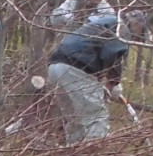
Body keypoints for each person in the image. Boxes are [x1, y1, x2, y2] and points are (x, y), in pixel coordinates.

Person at [45, 12, 131, 141]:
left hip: (55, 66)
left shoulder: (98, 23)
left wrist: (102, 86)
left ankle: (73, 149)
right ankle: (94, 150)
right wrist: (114, 82)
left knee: (75, 117)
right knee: (96, 115)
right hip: (75, 67)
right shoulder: (119, 27)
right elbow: (114, 54)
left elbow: (96, 51)